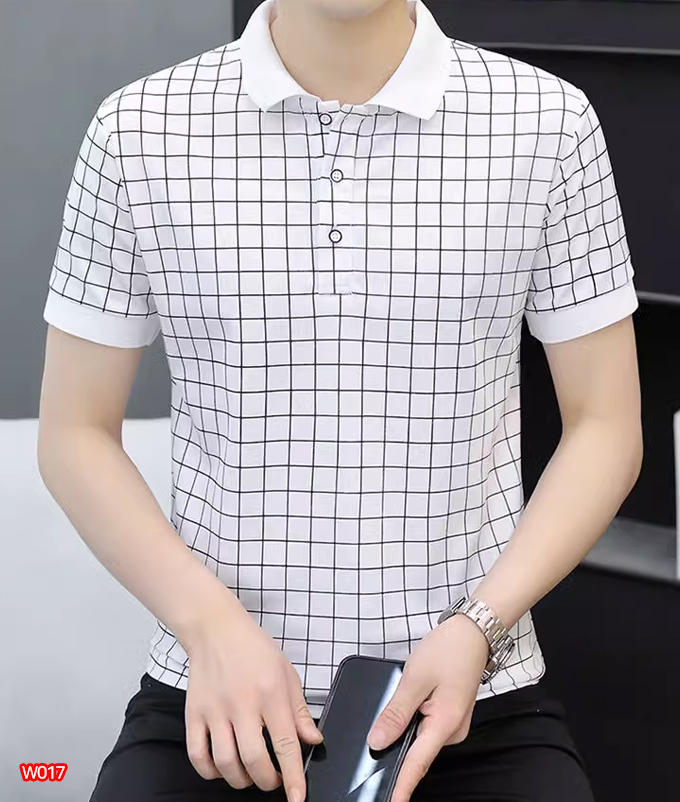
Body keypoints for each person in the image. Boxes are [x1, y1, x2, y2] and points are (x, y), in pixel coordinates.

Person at [37, 0, 643, 800]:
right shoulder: (135, 129)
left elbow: (606, 425)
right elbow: (75, 433)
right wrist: (210, 628)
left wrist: (480, 627)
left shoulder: (549, 122)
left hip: (477, 697)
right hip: (217, 696)